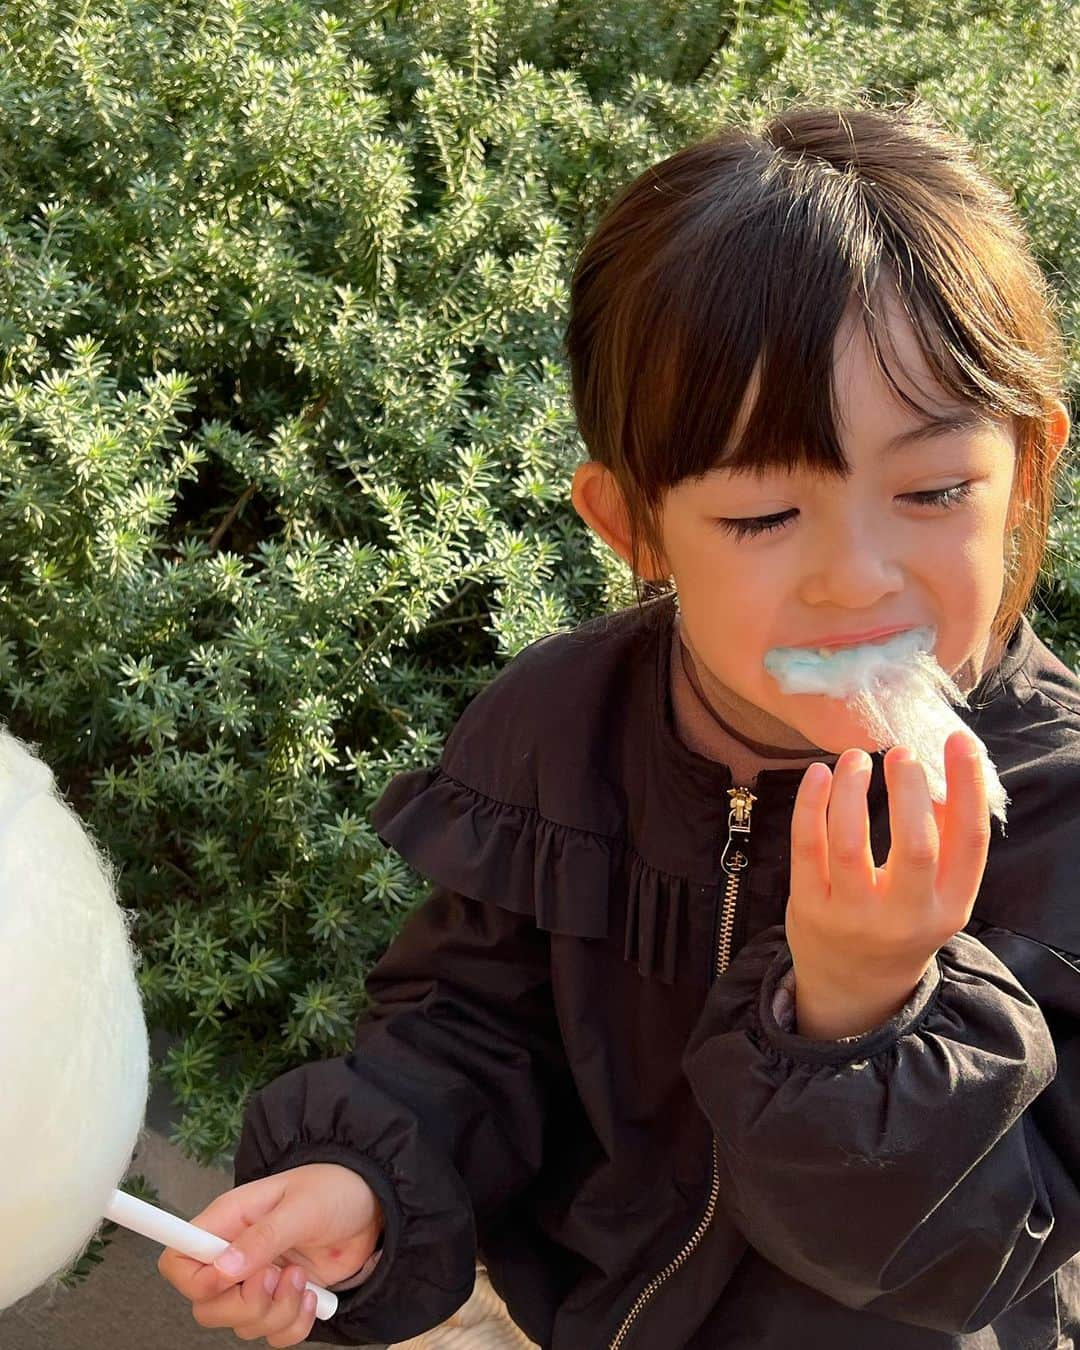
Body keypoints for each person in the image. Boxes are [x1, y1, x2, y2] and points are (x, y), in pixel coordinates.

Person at [157, 99, 1080, 1349]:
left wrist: (863, 1012)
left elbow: (979, 1259)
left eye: (932, 490)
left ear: (1025, 471)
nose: (858, 577)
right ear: (631, 527)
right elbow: (474, 1026)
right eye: (761, 517)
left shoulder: (1059, 818)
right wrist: (370, 1176)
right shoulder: (562, 728)